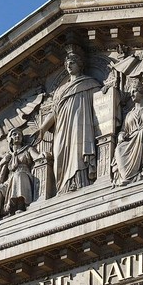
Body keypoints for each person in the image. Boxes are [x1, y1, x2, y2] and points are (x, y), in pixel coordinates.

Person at [41, 41, 103, 193]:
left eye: (73, 62)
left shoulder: (90, 83)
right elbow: (54, 112)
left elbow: (103, 102)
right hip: (62, 128)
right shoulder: (60, 90)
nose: (69, 65)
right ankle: (64, 187)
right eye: (67, 63)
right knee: (61, 154)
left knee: (78, 151)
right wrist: (43, 128)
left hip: (80, 123)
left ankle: (81, 182)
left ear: (80, 64)